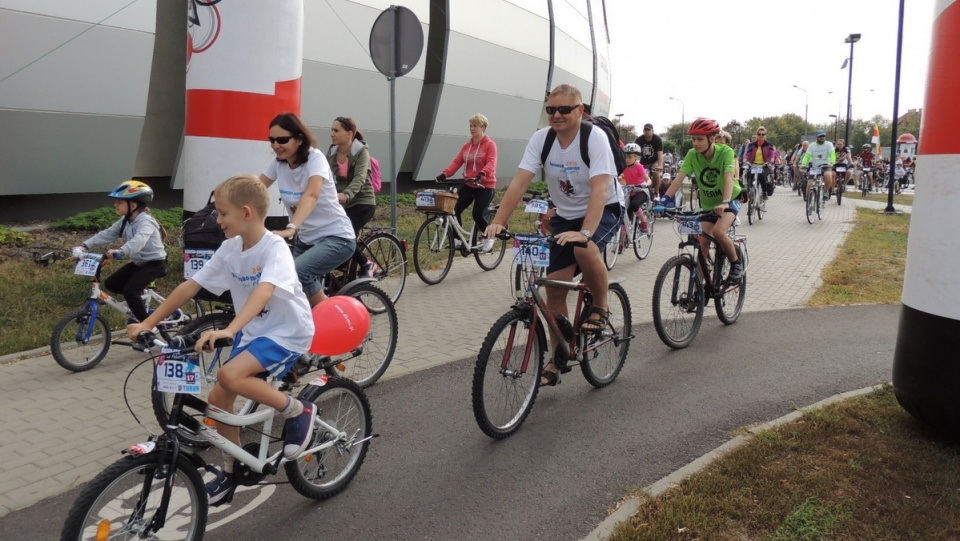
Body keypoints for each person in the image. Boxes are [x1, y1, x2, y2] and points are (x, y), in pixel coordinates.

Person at [127, 175, 316, 506]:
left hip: (287, 332)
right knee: (218, 401)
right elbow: (192, 285)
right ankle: (232, 470)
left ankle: (297, 410)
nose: (217, 219)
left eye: (222, 213)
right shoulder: (230, 248)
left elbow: (265, 289)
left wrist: (229, 330)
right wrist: (148, 322)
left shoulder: (275, 249)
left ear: (245, 212)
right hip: (255, 332)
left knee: (230, 375)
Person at [485, 84, 623, 387]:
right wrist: (498, 221)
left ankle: (601, 306)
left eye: (564, 109)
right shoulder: (542, 139)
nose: (556, 115)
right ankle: (560, 353)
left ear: (580, 110)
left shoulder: (593, 138)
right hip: (565, 216)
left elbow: (600, 188)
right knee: (554, 290)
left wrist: (585, 232)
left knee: (585, 249)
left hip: (605, 209)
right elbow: (520, 182)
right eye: (551, 110)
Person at [259, 112, 356, 307]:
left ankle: (332, 320)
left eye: (282, 139)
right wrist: (224, 202)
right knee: (282, 281)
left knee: (299, 272)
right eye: (272, 140)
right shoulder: (279, 163)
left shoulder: (315, 158)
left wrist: (292, 226)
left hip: (337, 237)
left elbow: (311, 195)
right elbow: (256, 187)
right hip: (308, 239)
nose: (276, 145)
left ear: (299, 139)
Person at [657, 118, 743, 282]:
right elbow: (679, 179)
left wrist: (725, 201)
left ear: (712, 138)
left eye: (700, 139)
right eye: (693, 139)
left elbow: (729, 177)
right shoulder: (692, 154)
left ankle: (735, 264)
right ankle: (698, 293)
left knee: (718, 232)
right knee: (701, 242)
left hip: (730, 199)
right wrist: (663, 201)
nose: (695, 143)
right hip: (709, 204)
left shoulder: (726, 152)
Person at [74, 181, 167, 324]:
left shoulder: (146, 222)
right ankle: (139, 305)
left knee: (131, 291)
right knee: (112, 284)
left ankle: (147, 326)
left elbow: (139, 240)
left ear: (133, 205)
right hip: (139, 263)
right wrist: (84, 246)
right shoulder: (125, 220)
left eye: (119, 202)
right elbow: (107, 234)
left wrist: (121, 251)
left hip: (155, 263)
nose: (115, 205)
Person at [436, 113, 499, 252]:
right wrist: (445, 174)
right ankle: (458, 239)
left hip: (485, 185)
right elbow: (457, 162)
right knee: (453, 210)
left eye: (475, 126)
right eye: (470, 126)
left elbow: (491, 163)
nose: (472, 128)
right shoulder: (467, 146)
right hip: (470, 184)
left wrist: (482, 173)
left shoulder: (490, 145)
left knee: (477, 214)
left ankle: (489, 237)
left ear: (483, 127)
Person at [327, 116, 379, 278]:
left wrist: (346, 195)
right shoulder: (332, 151)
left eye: (336, 130)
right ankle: (344, 272)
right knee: (326, 232)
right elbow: (324, 176)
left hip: (363, 202)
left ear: (349, 134)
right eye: (332, 130)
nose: (332, 134)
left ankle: (367, 264)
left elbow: (360, 178)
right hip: (342, 203)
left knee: (345, 234)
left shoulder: (360, 152)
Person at [621, 143, 652, 233]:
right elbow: (619, 176)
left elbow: (648, 180)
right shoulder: (624, 167)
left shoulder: (638, 167)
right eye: (625, 157)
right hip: (630, 191)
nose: (627, 159)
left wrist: (646, 184)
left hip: (641, 191)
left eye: (629, 157)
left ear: (636, 157)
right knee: (625, 213)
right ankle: (622, 243)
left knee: (634, 205)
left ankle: (644, 221)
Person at [800, 130, 837, 201]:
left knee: (828, 176)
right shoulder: (812, 145)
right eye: (820, 136)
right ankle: (808, 199)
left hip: (826, 165)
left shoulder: (829, 144)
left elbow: (832, 154)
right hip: (815, 166)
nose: (822, 137)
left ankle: (826, 191)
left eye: (823, 136)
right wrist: (804, 164)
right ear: (816, 137)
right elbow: (807, 156)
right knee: (810, 184)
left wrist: (832, 162)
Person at [743, 126, 777, 199]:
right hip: (753, 165)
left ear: (765, 135)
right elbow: (747, 154)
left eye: (763, 134)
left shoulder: (769, 145)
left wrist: (770, 161)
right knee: (749, 175)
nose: (761, 136)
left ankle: (764, 192)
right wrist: (746, 159)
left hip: (764, 165)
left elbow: (772, 154)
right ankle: (750, 191)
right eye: (759, 134)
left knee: (761, 175)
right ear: (757, 135)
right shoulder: (752, 145)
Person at [634, 123, 664, 197]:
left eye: (648, 130)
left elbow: (660, 154)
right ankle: (642, 193)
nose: (647, 131)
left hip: (655, 161)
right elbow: (635, 153)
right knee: (641, 175)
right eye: (645, 130)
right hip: (644, 161)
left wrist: (660, 165)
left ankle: (656, 193)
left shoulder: (657, 139)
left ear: (652, 131)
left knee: (655, 172)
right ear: (643, 131)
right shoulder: (639, 140)